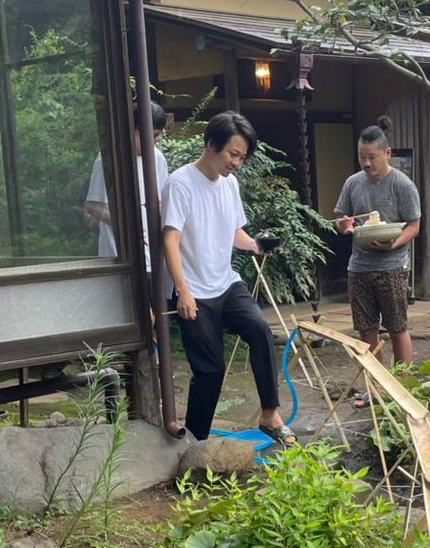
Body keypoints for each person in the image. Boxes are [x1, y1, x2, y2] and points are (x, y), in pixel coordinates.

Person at [161, 111, 296, 445]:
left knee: (260, 331)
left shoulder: (230, 184)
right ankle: (195, 443)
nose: (236, 163)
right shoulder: (180, 182)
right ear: (211, 145)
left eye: (242, 157)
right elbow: (170, 239)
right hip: (195, 290)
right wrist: (183, 291)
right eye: (233, 154)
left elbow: (233, 229)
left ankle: (269, 413)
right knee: (211, 370)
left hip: (225, 281)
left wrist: (254, 245)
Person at [333, 115, 422, 367]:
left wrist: (394, 243)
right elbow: (342, 218)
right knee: (365, 330)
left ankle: (404, 386)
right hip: (359, 266)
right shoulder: (353, 183)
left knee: (397, 327)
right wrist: (344, 225)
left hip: (392, 266)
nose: (367, 162)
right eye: (362, 157)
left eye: (372, 157)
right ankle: (375, 388)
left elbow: (414, 226)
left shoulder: (403, 185)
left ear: (387, 153)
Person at [84, 100, 170, 268]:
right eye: (153, 135)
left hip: (153, 257)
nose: (157, 140)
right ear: (134, 129)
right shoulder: (108, 160)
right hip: (118, 257)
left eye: (158, 135)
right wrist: (129, 223)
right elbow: (91, 208)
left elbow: (162, 201)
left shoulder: (157, 157)